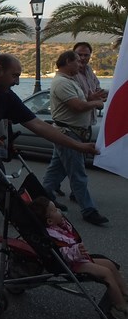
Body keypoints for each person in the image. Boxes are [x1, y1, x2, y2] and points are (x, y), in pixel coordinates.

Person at [0, 53, 99, 299]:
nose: (17, 81)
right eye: (15, 75)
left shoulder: (5, 96)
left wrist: (78, 146)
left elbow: (38, 125)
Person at [28, 196, 128, 319]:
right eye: (55, 210)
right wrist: (77, 251)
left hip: (80, 259)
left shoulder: (57, 226)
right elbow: (63, 253)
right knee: (106, 273)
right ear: (49, 221)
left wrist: (62, 222)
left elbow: (69, 235)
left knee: (110, 265)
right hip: (73, 264)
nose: (59, 210)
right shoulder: (52, 235)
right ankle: (120, 306)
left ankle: (125, 293)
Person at [41, 50, 108, 226]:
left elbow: (81, 101)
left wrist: (91, 98)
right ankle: (88, 210)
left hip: (72, 133)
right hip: (68, 133)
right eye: (77, 61)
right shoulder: (62, 83)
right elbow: (77, 106)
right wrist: (96, 103)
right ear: (67, 61)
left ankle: (42, 199)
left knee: (56, 170)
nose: (81, 64)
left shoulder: (70, 81)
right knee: (78, 174)